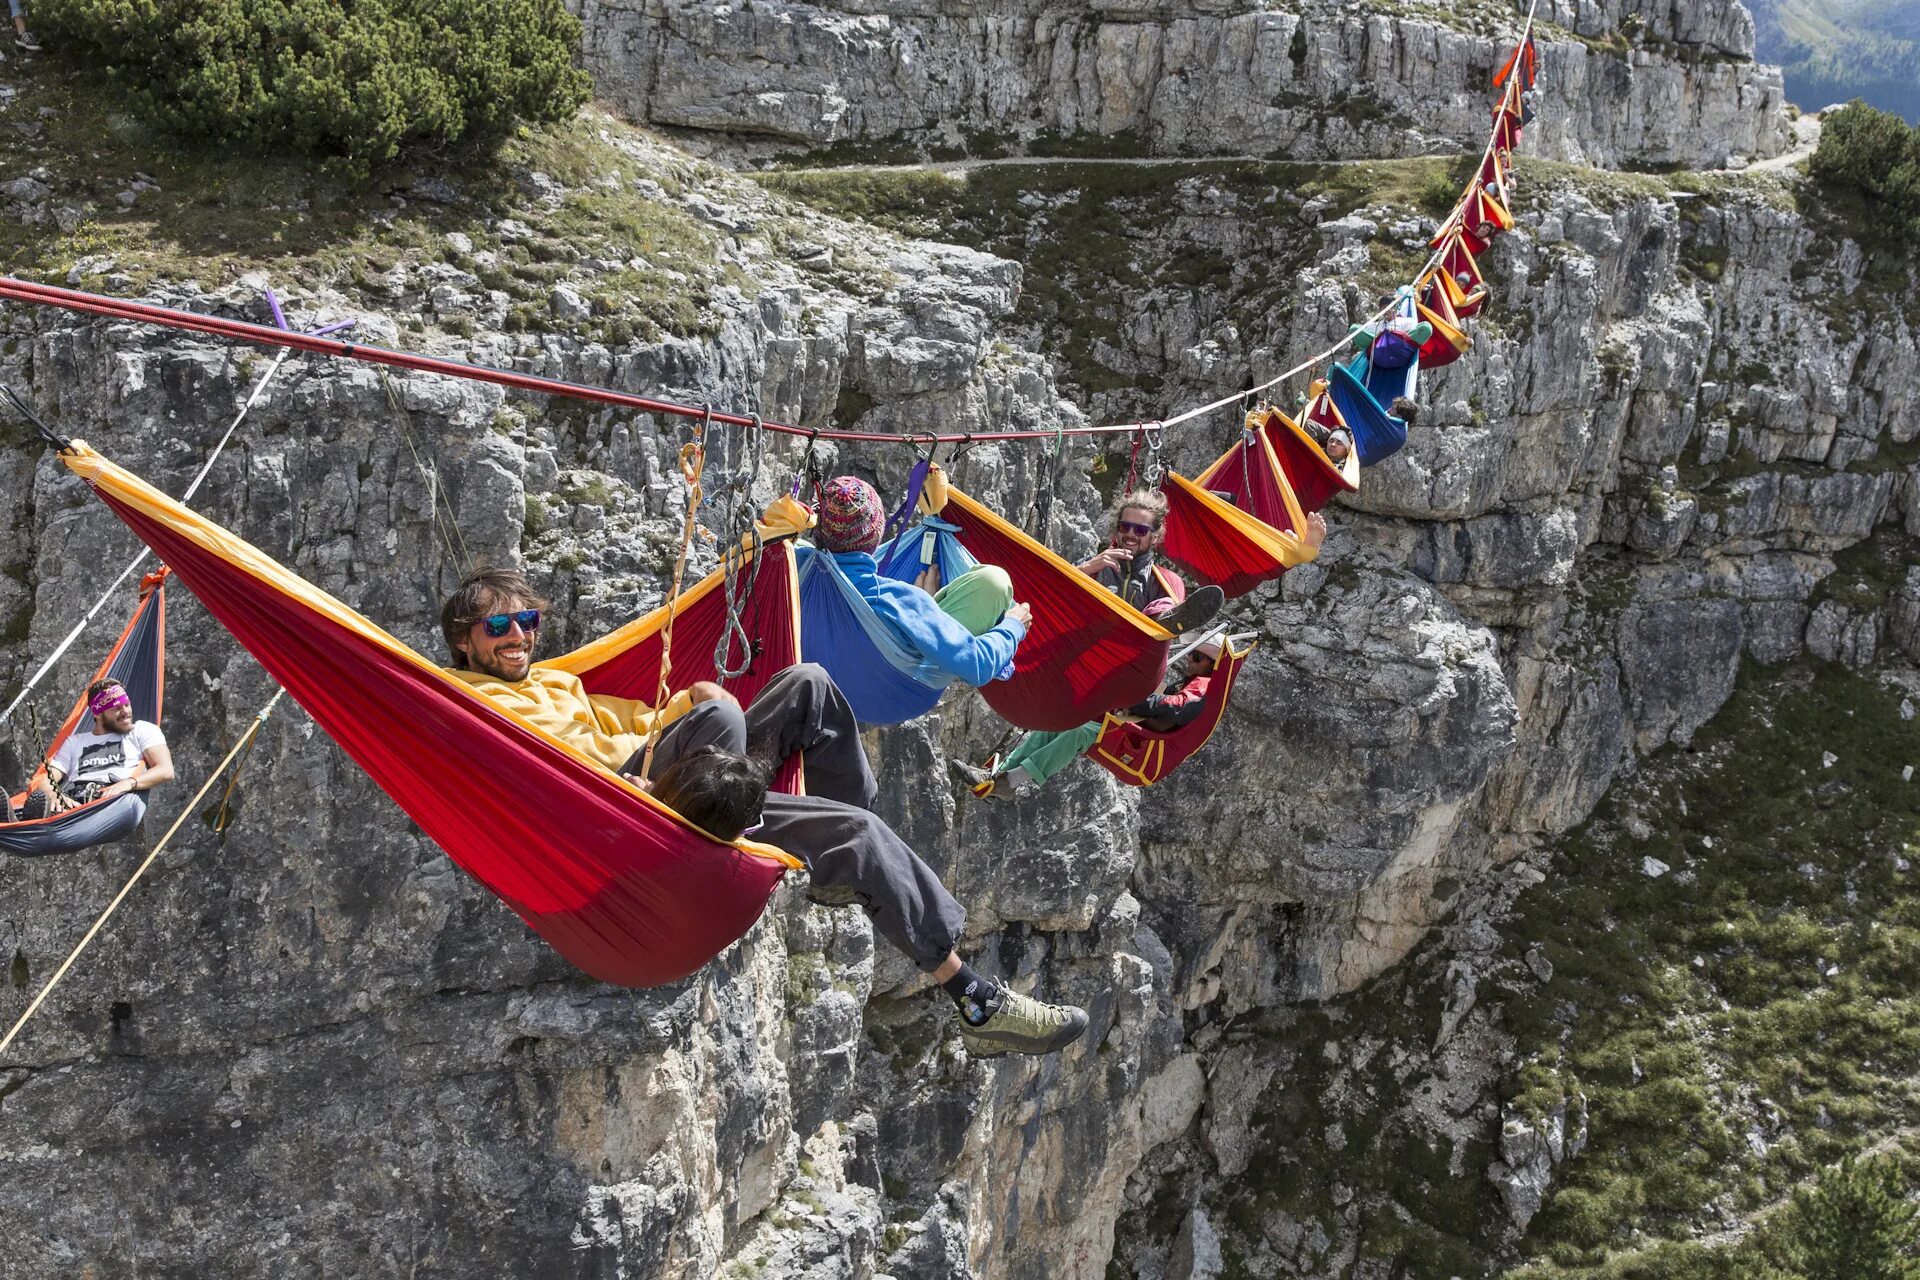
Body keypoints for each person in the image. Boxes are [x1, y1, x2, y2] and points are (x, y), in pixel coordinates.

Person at [439, 566, 1089, 1058]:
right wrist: (697, 720)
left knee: (809, 684)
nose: (518, 635)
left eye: (527, 621)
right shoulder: (463, 700)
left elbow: (643, 721)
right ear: (463, 644)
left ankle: (835, 853)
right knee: (736, 726)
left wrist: (687, 704)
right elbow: (523, 775)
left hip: (687, 780)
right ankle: (972, 997)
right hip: (633, 817)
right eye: (498, 627)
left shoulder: (559, 682)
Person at [812, 475, 1032, 689]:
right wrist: (1012, 627)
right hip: (891, 693)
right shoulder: (897, 601)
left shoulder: (795, 564)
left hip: (824, 678)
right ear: (878, 532)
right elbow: (976, 665)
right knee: (994, 581)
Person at [962, 632, 1226, 798]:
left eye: (1198, 657)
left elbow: (1175, 709)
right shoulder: (1188, 683)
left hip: (1140, 754)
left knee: (1080, 732)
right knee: (1065, 721)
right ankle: (997, 779)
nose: (1190, 660)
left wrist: (1136, 697)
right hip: (1131, 735)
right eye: (1192, 654)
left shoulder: (1202, 688)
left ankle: (1010, 780)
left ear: (1212, 664)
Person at [1, 677, 173, 821]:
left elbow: (165, 770)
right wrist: (53, 794)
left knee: (53, 814)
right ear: (98, 713)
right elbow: (46, 779)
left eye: (126, 705)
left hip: (113, 800)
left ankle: (29, 820)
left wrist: (129, 783)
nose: (125, 711)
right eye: (116, 708)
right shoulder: (75, 742)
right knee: (43, 804)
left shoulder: (142, 730)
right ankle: (14, 823)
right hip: (75, 804)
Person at [1077, 489, 1224, 631]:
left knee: (1167, 601)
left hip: (1136, 648)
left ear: (1155, 537)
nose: (1130, 534)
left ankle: (1167, 618)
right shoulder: (1094, 565)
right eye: (1124, 527)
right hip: (1087, 642)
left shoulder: (1167, 581)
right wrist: (1084, 570)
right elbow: (1056, 591)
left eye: (1140, 530)